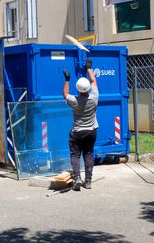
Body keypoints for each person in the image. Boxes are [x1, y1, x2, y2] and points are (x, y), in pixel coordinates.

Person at [62, 58, 98, 191]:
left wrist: (67, 79)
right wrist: (88, 67)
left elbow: (65, 94)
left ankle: (77, 178)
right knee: (88, 154)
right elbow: (94, 81)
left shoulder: (74, 101)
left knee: (75, 155)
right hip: (91, 131)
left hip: (77, 132)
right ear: (88, 88)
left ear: (77, 89)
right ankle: (88, 182)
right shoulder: (94, 97)